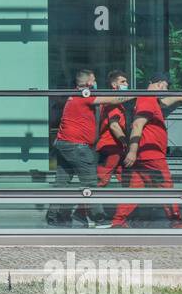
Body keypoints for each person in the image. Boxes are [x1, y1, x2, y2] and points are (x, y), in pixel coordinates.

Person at [46, 67, 129, 228]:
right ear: (89, 82)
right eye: (94, 79)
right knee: (90, 182)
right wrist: (136, 94)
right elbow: (113, 100)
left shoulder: (74, 95)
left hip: (63, 143)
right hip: (77, 146)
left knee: (61, 183)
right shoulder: (85, 94)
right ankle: (99, 218)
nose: (96, 82)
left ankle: (53, 216)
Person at [111, 74, 182, 228]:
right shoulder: (148, 99)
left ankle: (117, 222)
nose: (167, 90)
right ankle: (177, 222)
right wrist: (132, 151)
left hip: (143, 155)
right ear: (161, 85)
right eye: (167, 87)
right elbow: (137, 125)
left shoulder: (148, 99)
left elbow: (163, 103)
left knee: (134, 189)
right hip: (151, 154)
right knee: (166, 186)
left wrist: (178, 97)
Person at [95, 69, 132, 193]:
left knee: (127, 181)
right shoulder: (113, 103)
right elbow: (114, 125)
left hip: (116, 148)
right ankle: (83, 210)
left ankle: (125, 210)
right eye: (123, 81)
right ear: (114, 85)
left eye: (126, 81)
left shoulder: (115, 102)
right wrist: (126, 142)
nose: (126, 84)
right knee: (102, 181)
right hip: (111, 147)